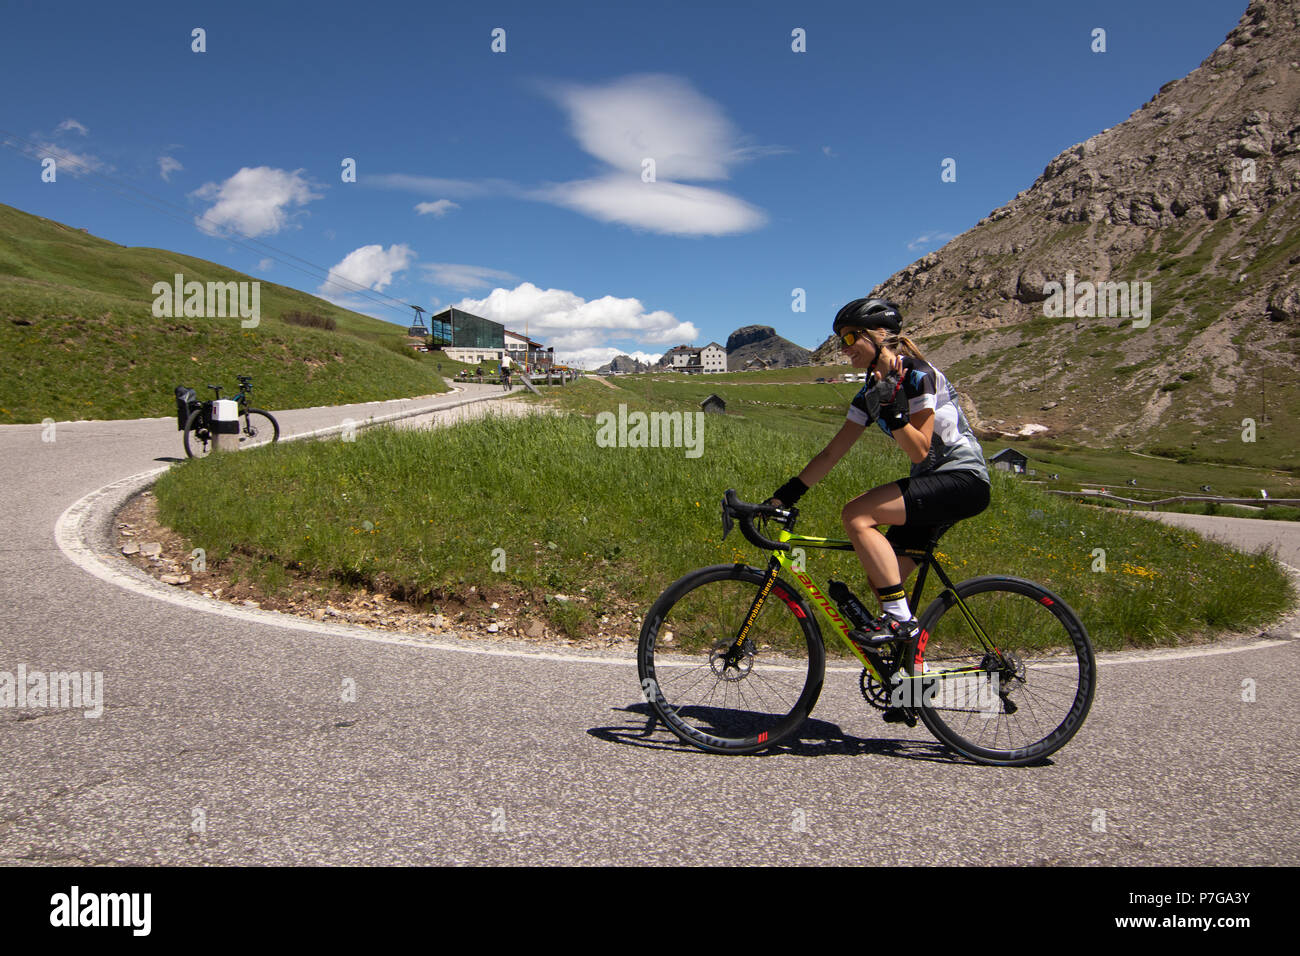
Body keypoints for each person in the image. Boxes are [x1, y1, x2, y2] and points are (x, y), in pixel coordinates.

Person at [768, 298, 991, 664]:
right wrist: (782, 498)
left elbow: (920, 451)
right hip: (934, 484)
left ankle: (901, 622)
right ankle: (910, 677)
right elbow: (832, 453)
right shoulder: (870, 391)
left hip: (962, 479)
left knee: (857, 514)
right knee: (884, 581)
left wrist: (895, 414)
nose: (844, 348)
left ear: (880, 335)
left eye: (851, 337)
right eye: (841, 340)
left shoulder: (918, 374)